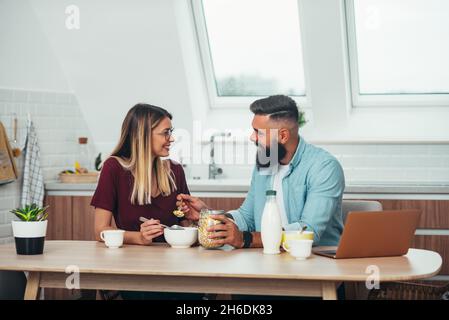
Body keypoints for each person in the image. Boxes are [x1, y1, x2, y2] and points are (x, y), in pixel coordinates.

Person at [177, 95, 345, 250]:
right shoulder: (267, 161)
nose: (252, 137)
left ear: (283, 136)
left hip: (316, 262)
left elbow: (309, 232)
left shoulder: (323, 167)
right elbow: (247, 217)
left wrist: (246, 239)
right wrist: (211, 217)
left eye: (259, 133)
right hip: (271, 259)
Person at [91, 103, 200, 300]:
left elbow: (184, 221)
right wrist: (139, 238)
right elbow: (100, 230)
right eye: (165, 133)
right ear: (143, 135)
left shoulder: (174, 170)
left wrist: (194, 220)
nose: (171, 139)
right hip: (134, 268)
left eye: (171, 132)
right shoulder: (114, 168)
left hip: (178, 266)